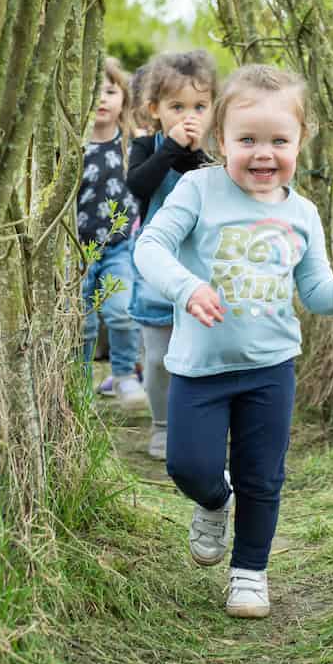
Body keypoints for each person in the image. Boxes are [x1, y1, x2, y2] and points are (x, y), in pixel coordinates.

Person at [134, 64, 333, 619]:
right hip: (200, 367)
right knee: (188, 466)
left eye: (278, 141)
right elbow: (150, 248)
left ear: (300, 141)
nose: (262, 154)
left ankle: (250, 573)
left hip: (271, 368)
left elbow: (312, 291)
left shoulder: (303, 213)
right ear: (221, 141)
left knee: (263, 475)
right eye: (247, 140)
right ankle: (216, 503)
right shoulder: (199, 190)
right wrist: (189, 286)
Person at [127, 50, 218, 459]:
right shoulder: (147, 147)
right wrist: (171, 151)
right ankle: (162, 425)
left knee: (203, 354)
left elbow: (217, 196)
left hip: (202, 267)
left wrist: (197, 154)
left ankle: (200, 427)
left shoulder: (215, 156)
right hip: (156, 266)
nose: (189, 116)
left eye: (199, 106)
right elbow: (139, 186)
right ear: (154, 110)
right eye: (176, 107)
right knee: (160, 357)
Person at [79, 58, 146, 412]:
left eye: (109, 90)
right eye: (93, 92)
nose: (101, 99)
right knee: (83, 322)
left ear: (123, 97)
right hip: (77, 249)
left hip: (120, 246)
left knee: (121, 312)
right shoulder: (74, 144)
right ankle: (79, 384)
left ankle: (124, 375)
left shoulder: (133, 145)